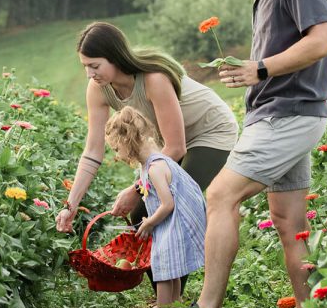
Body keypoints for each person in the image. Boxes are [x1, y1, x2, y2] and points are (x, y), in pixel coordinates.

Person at [187, 0, 327, 308]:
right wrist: (255, 74)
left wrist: (262, 69)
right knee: (289, 222)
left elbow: (324, 39)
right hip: (277, 110)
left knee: (220, 195)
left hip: (290, 113)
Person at [55, 22, 237, 235]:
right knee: (141, 214)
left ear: (115, 57)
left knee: (171, 202)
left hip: (210, 132)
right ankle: (158, 267)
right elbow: (93, 151)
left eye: (94, 66)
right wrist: (71, 205)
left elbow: (176, 148)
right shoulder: (98, 89)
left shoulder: (153, 79)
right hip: (169, 140)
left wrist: (135, 189)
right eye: (85, 66)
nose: (89, 74)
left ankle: (185, 259)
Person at [104, 107, 206, 308]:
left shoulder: (155, 168)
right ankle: (174, 307)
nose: (117, 155)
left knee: (163, 268)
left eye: (117, 149)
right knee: (172, 269)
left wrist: (149, 222)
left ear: (127, 140)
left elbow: (168, 204)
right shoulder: (149, 165)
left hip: (172, 223)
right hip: (170, 223)